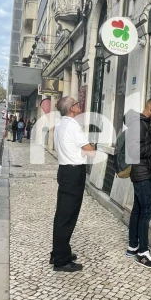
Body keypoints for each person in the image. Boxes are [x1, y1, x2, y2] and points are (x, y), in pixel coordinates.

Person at [50, 96, 95, 272]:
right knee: (67, 217)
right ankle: (62, 261)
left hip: (64, 171)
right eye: (76, 103)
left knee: (61, 214)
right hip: (73, 173)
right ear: (71, 109)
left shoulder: (60, 125)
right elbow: (89, 150)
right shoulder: (73, 125)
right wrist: (87, 151)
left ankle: (58, 252)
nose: (79, 105)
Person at [124, 98, 151, 269]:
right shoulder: (139, 124)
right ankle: (142, 252)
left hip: (142, 173)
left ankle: (133, 246)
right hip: (142, 175)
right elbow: (134, 151)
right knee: (146, 212)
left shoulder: (142, 123)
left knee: (138, 210)